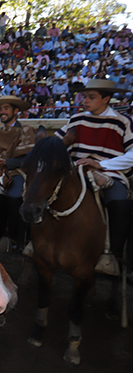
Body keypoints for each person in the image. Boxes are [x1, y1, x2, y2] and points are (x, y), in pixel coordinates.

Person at [57, 79, 133, 276]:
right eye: (84, 97)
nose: (85, 101)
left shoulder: (122, 121)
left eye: (91, 97)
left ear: (106, 99)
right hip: (75, 171)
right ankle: (37, 244)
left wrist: (101, 164)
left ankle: (113, 255)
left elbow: (132, 155)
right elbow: (56, 143)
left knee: (118, 200)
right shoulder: (76, 119)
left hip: (109, 173)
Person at [0, 95, 36, 253]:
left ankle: (16, 238)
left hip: (16, 172)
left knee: (15, 196)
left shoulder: (26, 130)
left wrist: (6, 163)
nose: (2, 112)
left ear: (16, 111)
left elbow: (28, 158)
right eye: (0, 109)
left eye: (6, 108)